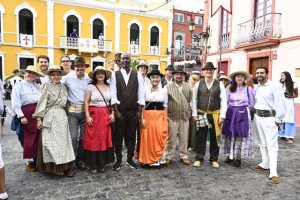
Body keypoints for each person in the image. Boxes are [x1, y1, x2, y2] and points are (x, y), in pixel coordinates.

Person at [33, 65, 75, 176]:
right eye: (53, 74)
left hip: (61, 116)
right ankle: (53, 168)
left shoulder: (64, 87)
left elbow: (67, 103)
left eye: (58, 74)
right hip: (50, 116)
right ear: (50, 76)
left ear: (61, 76)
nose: (56, 76)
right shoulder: (46, 87)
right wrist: (39, 118)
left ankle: (64, 167)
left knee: (62, 143)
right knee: (51, 143)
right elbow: (41, 103)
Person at [110, 53, 145, 170]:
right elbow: (113, 92)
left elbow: (141, 93)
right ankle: (118, 160)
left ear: (130, 61)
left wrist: (140, 110)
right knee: (118, 137)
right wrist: (116, 110)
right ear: (120, 61)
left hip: (133, 111)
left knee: (131, 136)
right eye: (123, 59)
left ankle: (130, 159)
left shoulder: (137, 74)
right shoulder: (115, 75)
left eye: (127, 59)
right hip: (120, 111)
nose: (125, 61)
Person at [251, 66, 286, 184]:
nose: (259, 74)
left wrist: (278, 119)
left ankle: (274, 172)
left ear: (267, 74)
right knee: (262, 142)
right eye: (257, 73)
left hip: (270, 118)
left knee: (272, 145)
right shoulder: (258, 87)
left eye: (261, 72)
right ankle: (265, 163)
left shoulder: (275, 86)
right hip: (258, 118)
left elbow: (281, 103)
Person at [192, 62, 227, 169]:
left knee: (215, 137)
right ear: (204, 71)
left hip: (215, 114)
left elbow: (224, 101)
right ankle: (199, 158)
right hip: (201, 112)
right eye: (207, 70)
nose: (209, 72)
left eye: (211, 70)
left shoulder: (219, 84)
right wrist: (194, 113)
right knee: (200, 136)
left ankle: (214, 159)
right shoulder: (198, 84)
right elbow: (194, 99)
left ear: (213, 71)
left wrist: (222, 116)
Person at [11, 65, 43, 172]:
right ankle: (29, 161)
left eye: (33, 73)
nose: (31, 75)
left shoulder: (37, 86)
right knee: (27, 138)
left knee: (37, 138)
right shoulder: (18, 86)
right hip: (26, 115)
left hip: (37, 114)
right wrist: (21, 116)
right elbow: (15, 102)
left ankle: (36, 159)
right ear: (25, 73)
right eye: (29, 72)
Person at [221, 70, 255, 167]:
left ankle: (238, 157)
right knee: (229, 135)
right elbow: (225, 102)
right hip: (231, 113)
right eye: (237, 77)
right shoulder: (229, 89)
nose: (239, 78)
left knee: (240, 135)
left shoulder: (249, 89)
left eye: (241, 76)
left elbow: (252, 104)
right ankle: (230, 155)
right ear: (234, 79)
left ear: (244, 78)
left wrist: (244, 110)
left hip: (243, 114)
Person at [63, 56, 91, 176]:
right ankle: (71, 164)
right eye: (77, 66)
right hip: (72, 112)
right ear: (74, 67)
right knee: (73, 137)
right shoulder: (67, 78)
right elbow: (55, 81)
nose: (80, 68)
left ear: (85, 67)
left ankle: (81, 160)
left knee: (83, 138)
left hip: (85, 112)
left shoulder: (89, 79)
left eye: (82, 66)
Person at [83, 66, 114, 173]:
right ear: (95, 76)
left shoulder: (110, 86)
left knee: (103, 139)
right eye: (98, 73)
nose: (100, 75)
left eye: (102, 73)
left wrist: (113, 114)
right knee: (93, 139)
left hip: (105, 115)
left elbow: (112, 102)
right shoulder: (90, 87)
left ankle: (102, 163)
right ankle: (93, 164)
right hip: (94, 115)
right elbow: (86, 102)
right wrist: (87, 115)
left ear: (105, 75)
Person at [138, 67, 168, 166]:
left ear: (160, 79)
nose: (155, 79)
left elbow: (165, 106)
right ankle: (147, 159)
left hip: (160, 116)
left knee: (158, 137)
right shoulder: (145, 89)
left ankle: (157, 159)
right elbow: (142, 105)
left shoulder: (164, 90)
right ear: (150, 79)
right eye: (153, 77)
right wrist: (142, 118)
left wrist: (165, 119)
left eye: (157, 77)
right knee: (148, 138)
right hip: (148, 116)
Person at [165, 65, 193, 165]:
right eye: (177, 74)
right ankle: (169, 155)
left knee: (184, 138)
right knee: (171, 138)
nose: (179, 76)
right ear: (174, 75)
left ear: (184, 75)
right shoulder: (167, 87)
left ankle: (184, 156)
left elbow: (192, 101)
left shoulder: (189, 87)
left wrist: (192, 114)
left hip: (185, 116)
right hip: (172, 116)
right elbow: (165, 102)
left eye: (181, 74)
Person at [278, 71, 298, 143]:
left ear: (287, 76)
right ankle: (282, 135)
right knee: (281, 118)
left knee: (289, 118)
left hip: (289, 104)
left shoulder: (293, 84)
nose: (281, 77)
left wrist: (289, 96)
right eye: (281, 76)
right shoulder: (279, 84)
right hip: (281, 103)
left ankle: (290, 137)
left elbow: (296, 95)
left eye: (283, 75)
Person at [188, 73, 200, 151]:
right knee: (188, 128)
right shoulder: (189, 88)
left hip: (194, 109)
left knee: (194, 128)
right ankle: (188, 144)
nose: (189, 80)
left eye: (190, 79)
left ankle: (193, 145)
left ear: (194, 80)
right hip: (188, 109)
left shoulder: (197, 89)